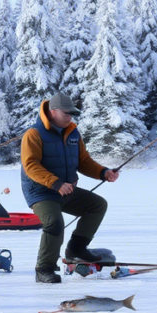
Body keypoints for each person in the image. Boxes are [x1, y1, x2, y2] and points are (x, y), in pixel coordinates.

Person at [20, 92, 118, 283]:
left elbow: (83, 161)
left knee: (97, 205)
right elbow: (30, 165)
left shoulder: (73, 133)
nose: (70, 117)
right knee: (54, 223)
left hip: (64, 189)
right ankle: (44, 269)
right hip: (40, 191)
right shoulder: (34, 134)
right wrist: (55, 183)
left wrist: (103, 172)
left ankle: (76, 249)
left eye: (72, 113)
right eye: (66, 113)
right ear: (53, 111)